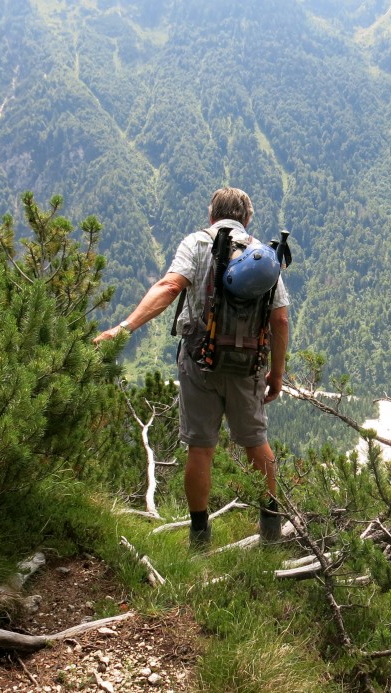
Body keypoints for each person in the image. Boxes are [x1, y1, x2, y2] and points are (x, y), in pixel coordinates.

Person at [94, 187, 289, 547]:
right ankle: (272, 528)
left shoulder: (197, 244)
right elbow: (279, 321)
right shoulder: (264, 255)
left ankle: (200, 537)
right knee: (256, 443)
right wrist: (275, 375)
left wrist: (123, 328)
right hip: (248, 369)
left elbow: (169, 287)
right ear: (248, 218)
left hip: (200, 363)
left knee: (201, 448)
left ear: (211, 216)